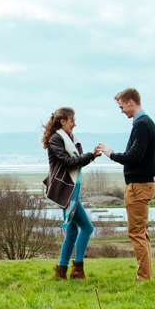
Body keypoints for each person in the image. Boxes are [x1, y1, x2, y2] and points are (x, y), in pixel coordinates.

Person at [95, 88, 155, 281]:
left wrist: (111, 154)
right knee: (142, 233)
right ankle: (145, 275)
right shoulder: (145, 123)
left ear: (131, 102)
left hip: (138, 186)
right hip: (142, 185)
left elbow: (134, 156)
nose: (121, 111)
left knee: (136, 233)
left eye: (122, 106)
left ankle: (144, 277)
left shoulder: (141, 124)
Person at [42, 107, 100, 280]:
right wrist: (91, 155)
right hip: (64, 190)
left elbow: (76, 163)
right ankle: (77, 270)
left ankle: (61, 272)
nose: (74, 124)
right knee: (87, 228)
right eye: (72, 120)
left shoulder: (68, 139)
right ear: (63, 121)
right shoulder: (56, 140)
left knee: (72, 232)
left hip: (70, 189)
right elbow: (69, 162)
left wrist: (91, 156)